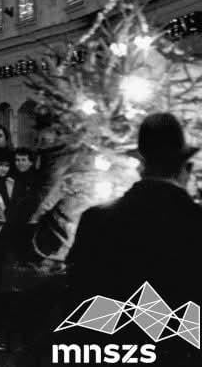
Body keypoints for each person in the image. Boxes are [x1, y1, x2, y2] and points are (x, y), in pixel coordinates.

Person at [66, 113, 202, 364]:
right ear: (187, 169)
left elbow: (80, 301)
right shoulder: (195, 222)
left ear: (140, 167)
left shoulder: (96, 220)